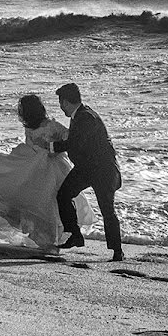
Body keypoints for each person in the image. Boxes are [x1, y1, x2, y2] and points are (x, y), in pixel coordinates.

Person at [0, 94, 95, 252]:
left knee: (45, 204)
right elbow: (66, 138)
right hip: (36, 168)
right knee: (43, 205)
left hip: (48, 169)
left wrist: (53, 147)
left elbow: (69, 138)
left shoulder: (51, 125)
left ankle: (51, 241)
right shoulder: (33, 127)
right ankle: (48, 240)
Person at [49, 83, 124, 262]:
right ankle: (75, 235)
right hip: (87, 168)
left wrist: (52, 147)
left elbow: (75, 143)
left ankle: (117, 250)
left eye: (61, 103)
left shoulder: (86, 117)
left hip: (103, 170)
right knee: (63, 195)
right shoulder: (79, 115)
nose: (61, 107)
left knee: (107, 209)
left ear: (66, 102)